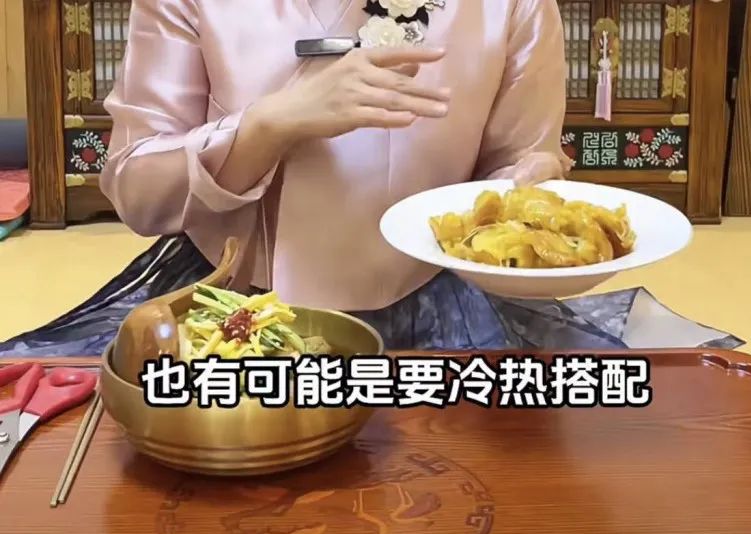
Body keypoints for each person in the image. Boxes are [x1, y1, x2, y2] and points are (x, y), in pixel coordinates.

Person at [1, 0, 583, 356]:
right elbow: (135, 188)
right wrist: (265, 127)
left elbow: (513, 165)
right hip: (231, 308)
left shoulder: (514, 5)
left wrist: (528, 189)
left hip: (439, 304)